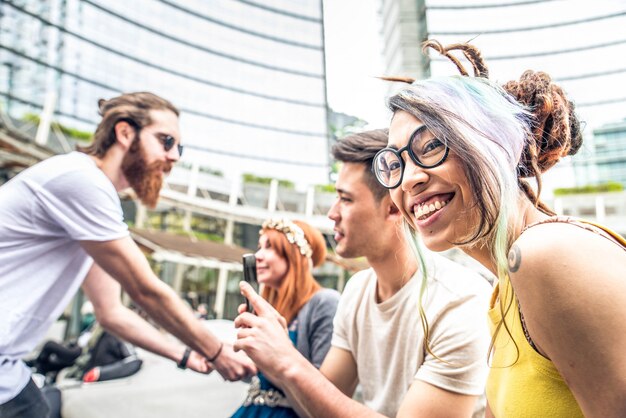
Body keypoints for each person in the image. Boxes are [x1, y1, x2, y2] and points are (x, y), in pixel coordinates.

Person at [372, 40, 626, 417]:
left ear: (493, 145)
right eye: (393, 163)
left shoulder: (547, 255)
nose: (408, 180)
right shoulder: (504, 292)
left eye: (431, 146)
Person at [0, 92, 255, 418]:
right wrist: (217, 351)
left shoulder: (89, 199)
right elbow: (144, 289)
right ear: (124, 134)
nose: (175, 156)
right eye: (166, 141)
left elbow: (112, 313)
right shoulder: (82, 181)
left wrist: (184, 355)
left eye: (180, 147)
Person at [234, 130, 492, 417]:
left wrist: (287, 361)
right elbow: (316, 408)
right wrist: (275, 354)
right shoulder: (357, 290)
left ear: (393, 206)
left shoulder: (459, 301)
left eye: (345, 199)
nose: (332, 213)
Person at [231, 218, 339, 417]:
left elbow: (324, 393)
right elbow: (258, 378)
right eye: (259, 247)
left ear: (295, 256)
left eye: (270, 247)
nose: (258, 256)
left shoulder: (324, 303)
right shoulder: (269, 308)